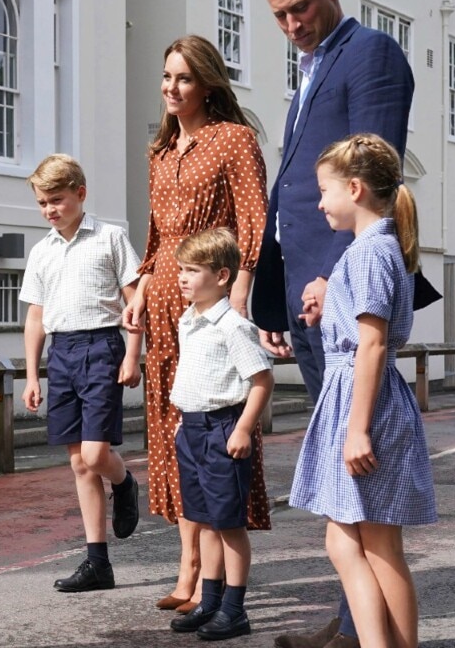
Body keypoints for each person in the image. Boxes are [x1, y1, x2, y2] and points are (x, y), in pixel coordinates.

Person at [249, 0, 418, 648]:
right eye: (280, 15)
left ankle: (366, 635)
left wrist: (336, 278)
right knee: (343, 502)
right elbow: (294, 191)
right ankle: (356, 627)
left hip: (343, 294)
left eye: (301, 7)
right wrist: (273, 295)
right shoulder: (309, 70)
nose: (292, 23)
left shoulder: (371, 55)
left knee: (361, 492)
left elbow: (371, 179)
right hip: (310, 293)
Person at [122, 35, 270, 613]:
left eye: (183, 78)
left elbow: (252, 224)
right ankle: (187, 567)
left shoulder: (234, 140)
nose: (171, 88)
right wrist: (137, 294)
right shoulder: (159, 152)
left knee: (215, 425)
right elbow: (157, 239)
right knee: (172, 436)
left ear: (207, 83)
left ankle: (212, 578)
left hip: (211, 305)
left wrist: (237, 300)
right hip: (162, 305)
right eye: (166, 77)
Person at [290, 134, 437, 648]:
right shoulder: (371, 250)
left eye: (324, 190)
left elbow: (372, 344)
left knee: (375, 546)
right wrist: (329, 306)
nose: (319, 202)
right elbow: (363, 332)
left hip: (364, 408)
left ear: (354, 189)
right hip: (359, 399)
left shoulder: (370, 253)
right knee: (355, 541)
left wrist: (357, 431)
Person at [20, 154, 144, 593]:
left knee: (95, 456)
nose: (50, 209)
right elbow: (36, 317)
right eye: (42, 203)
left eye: (57, 200)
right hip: (63, 352)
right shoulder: (41, 251)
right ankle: (98, 562)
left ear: (80, 194)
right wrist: (33, 376)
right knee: (78, 463)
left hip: (103, 346)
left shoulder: (110, 237)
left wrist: (133, 355)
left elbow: (134, 304)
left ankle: (125, 482)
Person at [165, 229, 273, 641]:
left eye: (193, 270)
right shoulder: (189, 319)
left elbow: (262, 380)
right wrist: (182, 421)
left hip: (223, 431)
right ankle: (208, 602)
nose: (182, 278)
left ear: (223, 275)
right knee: (203, 521)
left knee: (229, 524)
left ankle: (234, 609)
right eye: (181, 269)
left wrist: (244, 428)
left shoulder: (233, 326)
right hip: (192, 430)